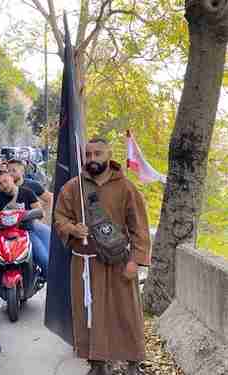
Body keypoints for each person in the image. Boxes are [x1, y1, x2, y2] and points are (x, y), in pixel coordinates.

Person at [53, 138, 151, 375]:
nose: (92, 158)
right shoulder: (73, 187)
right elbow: (59, 218)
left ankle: (132, 362)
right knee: (90, 314)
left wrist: (135, 261)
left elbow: (139, 227)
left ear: (109, 155)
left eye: (98, 153)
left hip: (118, 261)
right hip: (85, 263)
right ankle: (97, 364)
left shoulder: (126, 188)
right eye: (88, 154)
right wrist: (73, 229)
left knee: (126, 313)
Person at [0, 167, 49, 278]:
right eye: (0, 184)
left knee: (44, 259)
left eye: (5, 181)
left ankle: (46, 279)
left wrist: (30, 215)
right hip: (3, 234)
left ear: (11, 178)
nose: (4, 186)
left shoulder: (27, 193)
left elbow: (39, 211)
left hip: (26, 231)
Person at [7, 159, 52, 260]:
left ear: (22, 171)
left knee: (44, 258)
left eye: (14, 170)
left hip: (30, 226)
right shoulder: (5, 188)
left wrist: (43, 217)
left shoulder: (32, 185)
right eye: (8, 171)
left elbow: (50, 198)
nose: (10, 173)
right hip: (10, 228)